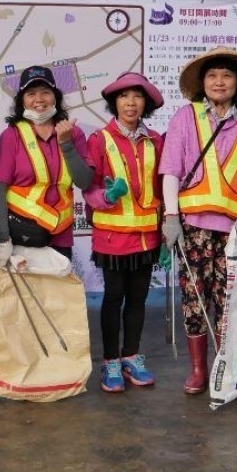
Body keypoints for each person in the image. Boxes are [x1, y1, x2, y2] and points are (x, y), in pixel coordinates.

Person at [158, 48, 237, 395]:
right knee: (194, 299)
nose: (219, 82)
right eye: (212, 75)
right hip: (194, 227)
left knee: (231, 302)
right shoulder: (186, 118)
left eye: (226, 75)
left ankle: (225, 366)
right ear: (202, 82)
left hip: (236, 231)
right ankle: (198, 369)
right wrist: (171, 216)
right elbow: (171, 170)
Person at [82, 72, 165, 392]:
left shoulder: (156, 140)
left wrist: (168, 232)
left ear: (146, 103)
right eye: (123, 96)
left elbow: (162, 187)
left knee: (138, 300)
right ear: (113, 103)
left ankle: (132, 356)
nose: (131, 103)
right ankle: (110, 362)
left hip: (147, 236)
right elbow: (88, 189)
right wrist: (107, 197)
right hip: (113, 238)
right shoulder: (99, 140)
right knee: (113, 298)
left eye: (137, 96)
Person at [0, 64, 92, 262]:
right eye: (31, 93)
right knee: (23, 294)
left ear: (56, 97)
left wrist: (66, 144)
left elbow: (84, 182)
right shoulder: (12, 136)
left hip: (60, 235)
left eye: (46, 92)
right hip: (21, 234)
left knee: (58, 293)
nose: (39, 99)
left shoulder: (72, 132)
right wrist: (2, 237)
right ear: (22, 101)